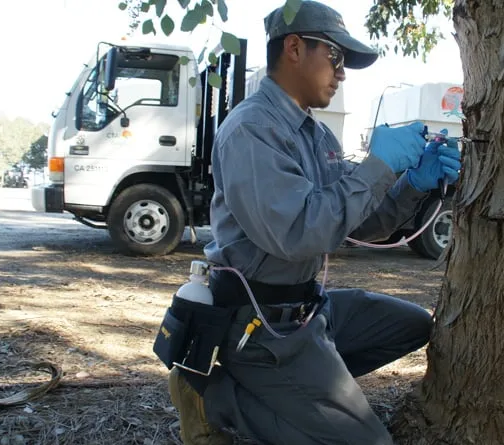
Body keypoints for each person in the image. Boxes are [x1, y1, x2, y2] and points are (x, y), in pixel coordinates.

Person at [166, 1, 462, 444]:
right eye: (336, 57)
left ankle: (303, 391)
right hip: (260, 325)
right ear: (294, 48)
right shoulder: (252, 130)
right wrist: (379, 164)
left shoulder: (316, 134)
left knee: (414, 325)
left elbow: (363, 224)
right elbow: (300, 233)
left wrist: (413, 184)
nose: (342, 73)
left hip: (307, 311)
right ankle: (218, 398)